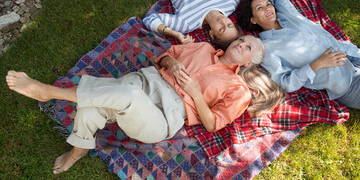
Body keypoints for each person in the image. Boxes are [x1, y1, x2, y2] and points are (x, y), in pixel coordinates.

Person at [6, 35, 285, 174]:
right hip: (146, 80)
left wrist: (195, 94)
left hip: (164, 116)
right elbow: (164, 57)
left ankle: (49, 92)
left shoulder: (239, 90)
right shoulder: (202, 48)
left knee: (126, 93)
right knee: (96, 105)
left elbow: (213, 124)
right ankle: (78, 150)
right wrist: (170, 61)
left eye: (249, 48)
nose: (242, 44)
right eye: (243, 39)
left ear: (248, 63)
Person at [237, 0, 360, 109]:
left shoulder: (286, 14)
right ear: (253, 20)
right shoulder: (268, 48)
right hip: (345, 82)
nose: (267, 9)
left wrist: (265, 2)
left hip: (352, 53)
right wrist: (316, 64)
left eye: (268, 4)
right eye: (260, 8)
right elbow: (285, 83)